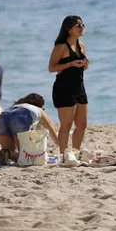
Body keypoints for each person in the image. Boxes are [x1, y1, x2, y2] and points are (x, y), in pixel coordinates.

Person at [48, 15, 89, 158]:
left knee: (82, 124)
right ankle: (64, 156)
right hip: (63, 88)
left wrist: (85, 65)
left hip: (79, 87)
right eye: (78, 25)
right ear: (69, 29)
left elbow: (80, 69)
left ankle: (75, 154)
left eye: (83, 25)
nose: (81, 27)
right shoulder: (60, 47)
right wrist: (70, 64)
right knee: (66, 125)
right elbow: (52, 68)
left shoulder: (81, 46)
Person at [0, 94, 59, 165]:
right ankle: (8, 154)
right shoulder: (39, 110)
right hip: (20, 118)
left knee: (9, 153)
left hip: (3, 117)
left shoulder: (16, 106)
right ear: (40, 105)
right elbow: (55, 137)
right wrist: (63, 149)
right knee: (26, 157)